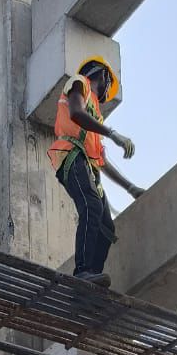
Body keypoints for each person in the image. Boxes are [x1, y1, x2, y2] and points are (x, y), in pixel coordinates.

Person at [47, 56, 144, 287]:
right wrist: (112, 133)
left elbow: (100, 159)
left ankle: (91, 280)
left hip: (87, 165)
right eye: (108, 84)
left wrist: (130, 188)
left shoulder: (96, 118)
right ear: (102, 75)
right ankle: (82, 272)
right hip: (70, 155)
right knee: (91, 205)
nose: (106, 92)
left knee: (106, 227)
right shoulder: (79, 83)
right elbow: (76, 113)